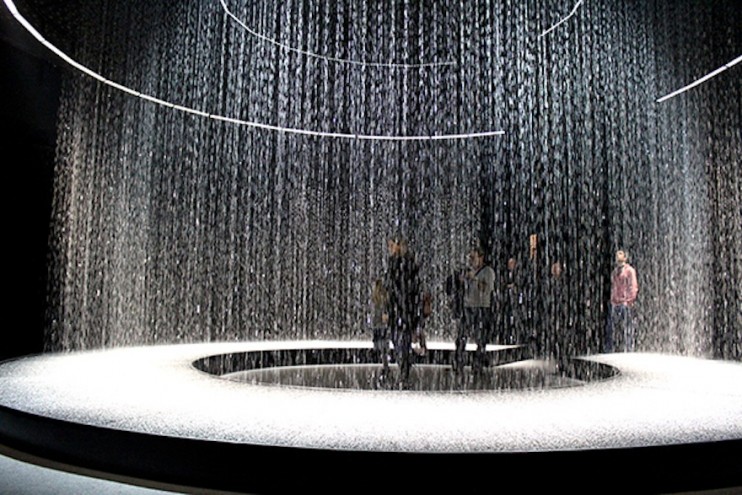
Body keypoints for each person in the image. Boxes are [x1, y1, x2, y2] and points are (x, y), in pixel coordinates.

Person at [384, 234, 422, 388]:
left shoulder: (403, 265)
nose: (390, 249)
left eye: (392, 246)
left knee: (401, 341)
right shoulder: (401, 264)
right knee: (400, 341)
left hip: (403, 310)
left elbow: (400, 289)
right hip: (401, 310)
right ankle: (404, 371)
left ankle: (404, 371)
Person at [454, 247, 495, 376]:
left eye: (473, 257)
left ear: (481, 257)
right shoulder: (468, 271)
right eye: (470, 258)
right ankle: (458, 363)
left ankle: (477, 366)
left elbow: (486, 289)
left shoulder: (488, 272)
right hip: (468, 307)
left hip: (481, 307)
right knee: (461, 337)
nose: (471, 261)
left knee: (480, 339)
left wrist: (474, 279)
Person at [606, 249, 639, 352]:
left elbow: (633, 286)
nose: (618, 257)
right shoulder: (615, 272)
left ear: (625, 257)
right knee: (611, 327)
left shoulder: (630, 271)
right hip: (615, 303)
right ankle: (610, 348)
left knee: (627, 327)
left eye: (620, 254)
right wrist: (612, 299)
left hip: (625, 303)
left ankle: (629, 348)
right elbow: (614, 287)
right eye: (617, 255)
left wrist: (629, 300)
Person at [370, 278, 390, 379]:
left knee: (381, 346)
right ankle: (385, 366)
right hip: (382, 325)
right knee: (384, 347)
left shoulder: (375, 299)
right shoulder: (384, 298)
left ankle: (384, 366)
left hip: (378, 325)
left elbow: (374, 313)